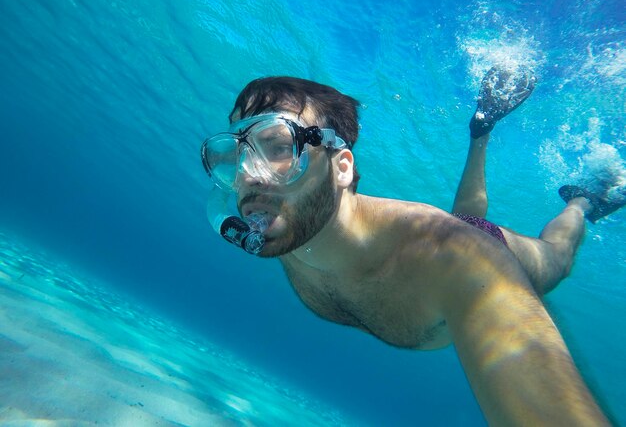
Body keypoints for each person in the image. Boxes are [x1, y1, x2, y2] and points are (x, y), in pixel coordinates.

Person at [200, 67, 624, 424]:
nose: (247, 175)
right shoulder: (290, 225)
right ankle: (482, 130)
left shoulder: (462, 262)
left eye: (278, 146)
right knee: (464, 214)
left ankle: (584, 201)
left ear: (342, 167)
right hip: (447, 235)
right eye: (236, 154)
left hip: (486, 247)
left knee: (559, 258)